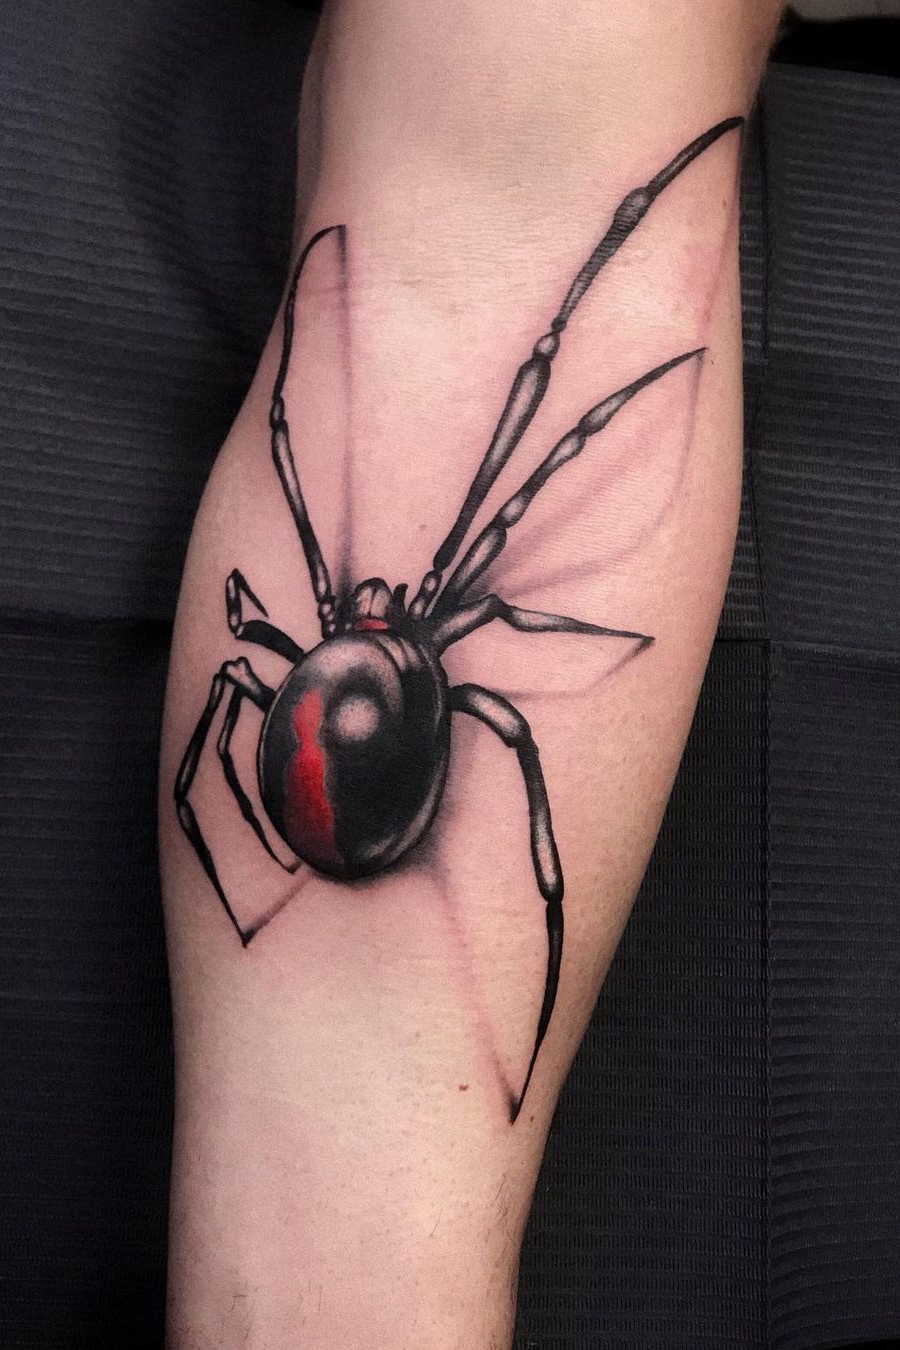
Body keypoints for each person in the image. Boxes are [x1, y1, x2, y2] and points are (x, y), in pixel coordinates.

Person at [159, 2, 784, 1345]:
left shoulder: (324, 635)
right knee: (529, 446)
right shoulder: (448, 626)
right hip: (358, 753)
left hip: (338, 748)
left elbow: (498, 214)